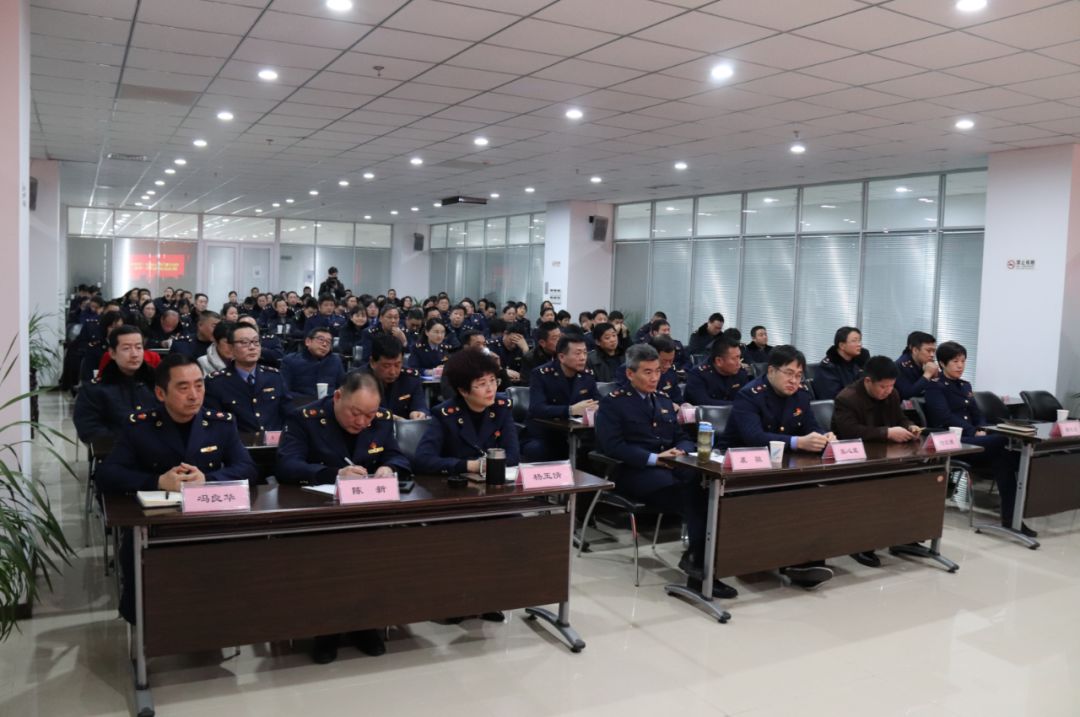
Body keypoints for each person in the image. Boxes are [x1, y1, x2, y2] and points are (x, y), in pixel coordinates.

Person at [97, 354, 258, 623]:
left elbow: (248, 468)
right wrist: (157, 482)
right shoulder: (140, 425)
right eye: (183, 388)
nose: (194, 395)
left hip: (211, 521)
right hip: (156, 526)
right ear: (160, 393)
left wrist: (207, 479)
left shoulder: (220, 423)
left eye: (199, 385)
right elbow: (107, 474)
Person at [276, 371, 409, 663]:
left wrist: (389, 467)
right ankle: (326, 630)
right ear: (338, 397)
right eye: (356, 413)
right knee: (330, 563)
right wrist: (333, 474)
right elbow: (287, 465)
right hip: (319, 515)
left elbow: (396, 455)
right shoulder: (305, 418)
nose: (363, 422)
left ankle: (365, 624)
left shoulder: (381, 419)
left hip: (367, 514)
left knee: (378, 556)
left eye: (369, 415)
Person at [595, 344, 737, 599]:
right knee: (696, 498)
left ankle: (703, 563)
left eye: (657, 372)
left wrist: (679, 451)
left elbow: (682, 436)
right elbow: (612, 446)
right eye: (647, 372)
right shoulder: (613, 403)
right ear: (630, 374)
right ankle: (698, 571)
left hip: (671, 468)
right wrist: (653, 458)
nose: (654, 378)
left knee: (711, 493)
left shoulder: (662, 400)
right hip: (634, 473)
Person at [720, 345, 838, 589]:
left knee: (815, 493)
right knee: (773, 498)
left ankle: (805, 562)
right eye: (789, 373)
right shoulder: (749, 394)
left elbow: (811, 426)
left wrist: (825, 436)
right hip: (742, 466)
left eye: (799, 375)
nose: (794, 381)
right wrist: (797, 442)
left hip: (783, 465)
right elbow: (753, 437)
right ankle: (763, 559)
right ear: (771, 370)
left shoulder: (801, 396)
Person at [924, 341, 1030, 536]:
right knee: (1004, 443)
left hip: (975, 439)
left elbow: (977, 413)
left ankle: (1012, 519)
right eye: (955, 361)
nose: (960, 365)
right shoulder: (935, 387)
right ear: (942, 363)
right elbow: (945, 417)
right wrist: (973, 431)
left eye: (963, 361)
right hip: (953, 441)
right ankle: (1013, 516)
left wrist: (980, 427)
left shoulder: (965, 385)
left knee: (1004, 458)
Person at [831, 355, 923, 567]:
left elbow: (900, 418)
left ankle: (906, 537)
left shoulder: (892, 394)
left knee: (918, 478)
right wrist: (886, 432)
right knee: (873, 489)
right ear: (868, 381)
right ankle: (861, 545)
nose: (888, 391)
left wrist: (910, 426)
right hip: (853, 461)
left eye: (891, 386)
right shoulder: (847, 398)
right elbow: (849, 431)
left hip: (885, 456)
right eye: (883, 386)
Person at [414, 347, 519, 478]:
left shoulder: (502, 408)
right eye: (482, 384)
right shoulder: (445, 415)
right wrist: (469, 465)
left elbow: (513, 455)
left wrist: (490, 465)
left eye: (493, 381)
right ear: (463, 390)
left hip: (493, 482)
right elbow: (423, 460)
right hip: (456, 486)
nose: (490, 389)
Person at [74, 326, 158, 442]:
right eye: (126, 348)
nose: (134, 354)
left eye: (139, 347)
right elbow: (89, 430)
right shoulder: (95, 390)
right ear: (112, 353)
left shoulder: (157, 383)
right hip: (117, 454)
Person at [523, 334, 599, 461]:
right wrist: (570, 410)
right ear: (562, 357)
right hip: (545, 434)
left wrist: (597, 406)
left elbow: (599, 400)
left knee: (599, 449)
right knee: (539, 450)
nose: (583, 358)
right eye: (577, 353)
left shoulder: (587, 375)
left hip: (578, 434)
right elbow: (537, 408)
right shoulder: (541, 374)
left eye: (585, 353)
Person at [203, 322, 290, 433]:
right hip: (237, 447)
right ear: (231, 348)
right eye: (244, 343)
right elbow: (214, 425)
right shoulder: (215, 383)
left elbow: (289, 414)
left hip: (275, 446)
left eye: (255, 342)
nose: (252, 347)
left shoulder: (274, 377)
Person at [358, 334, 428, 419]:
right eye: (386, 366)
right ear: (372, 362)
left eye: (397, 365)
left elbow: (420, 405)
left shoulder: (410, 378)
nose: (392, 372)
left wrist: (418, 412)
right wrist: (389, 418)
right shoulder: (357, 380)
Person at [684, 337, 751, 406]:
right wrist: (738, 405)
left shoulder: (740, 373)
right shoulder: (698, 375)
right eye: (734, 358)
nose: (739, 363)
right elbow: (704, 403)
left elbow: (747, 399)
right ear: (719, 361)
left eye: (739, 357)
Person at [281, 327, 346, 398]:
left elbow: (342, 388)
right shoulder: (290, 360)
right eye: (321, 340)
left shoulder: (335, 360)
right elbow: (284, 391)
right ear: (308, 341)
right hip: (300, 404)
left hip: (328, 404)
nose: (324, 344)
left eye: (329, 342)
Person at [814, 326, 870, 401]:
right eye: (854, 341)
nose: (859, 344)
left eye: (859, 341)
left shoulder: (859, 362)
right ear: (842, 346)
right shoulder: (827, 368)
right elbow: (835, 398)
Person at [895, 331, 939, 399]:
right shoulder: (900, 366)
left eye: (933, 351)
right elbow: (907, 395)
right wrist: (927, 374)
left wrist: (936, 377)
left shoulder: (926, 363)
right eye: (928, 351)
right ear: (915, 350)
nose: (932, 355)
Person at [520, 321, 560, 385]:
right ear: (542, 343)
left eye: (560, 336)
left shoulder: (564, 354)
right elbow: (528, 384)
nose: (560, 341)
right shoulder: (530, 358)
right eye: (555, 338)